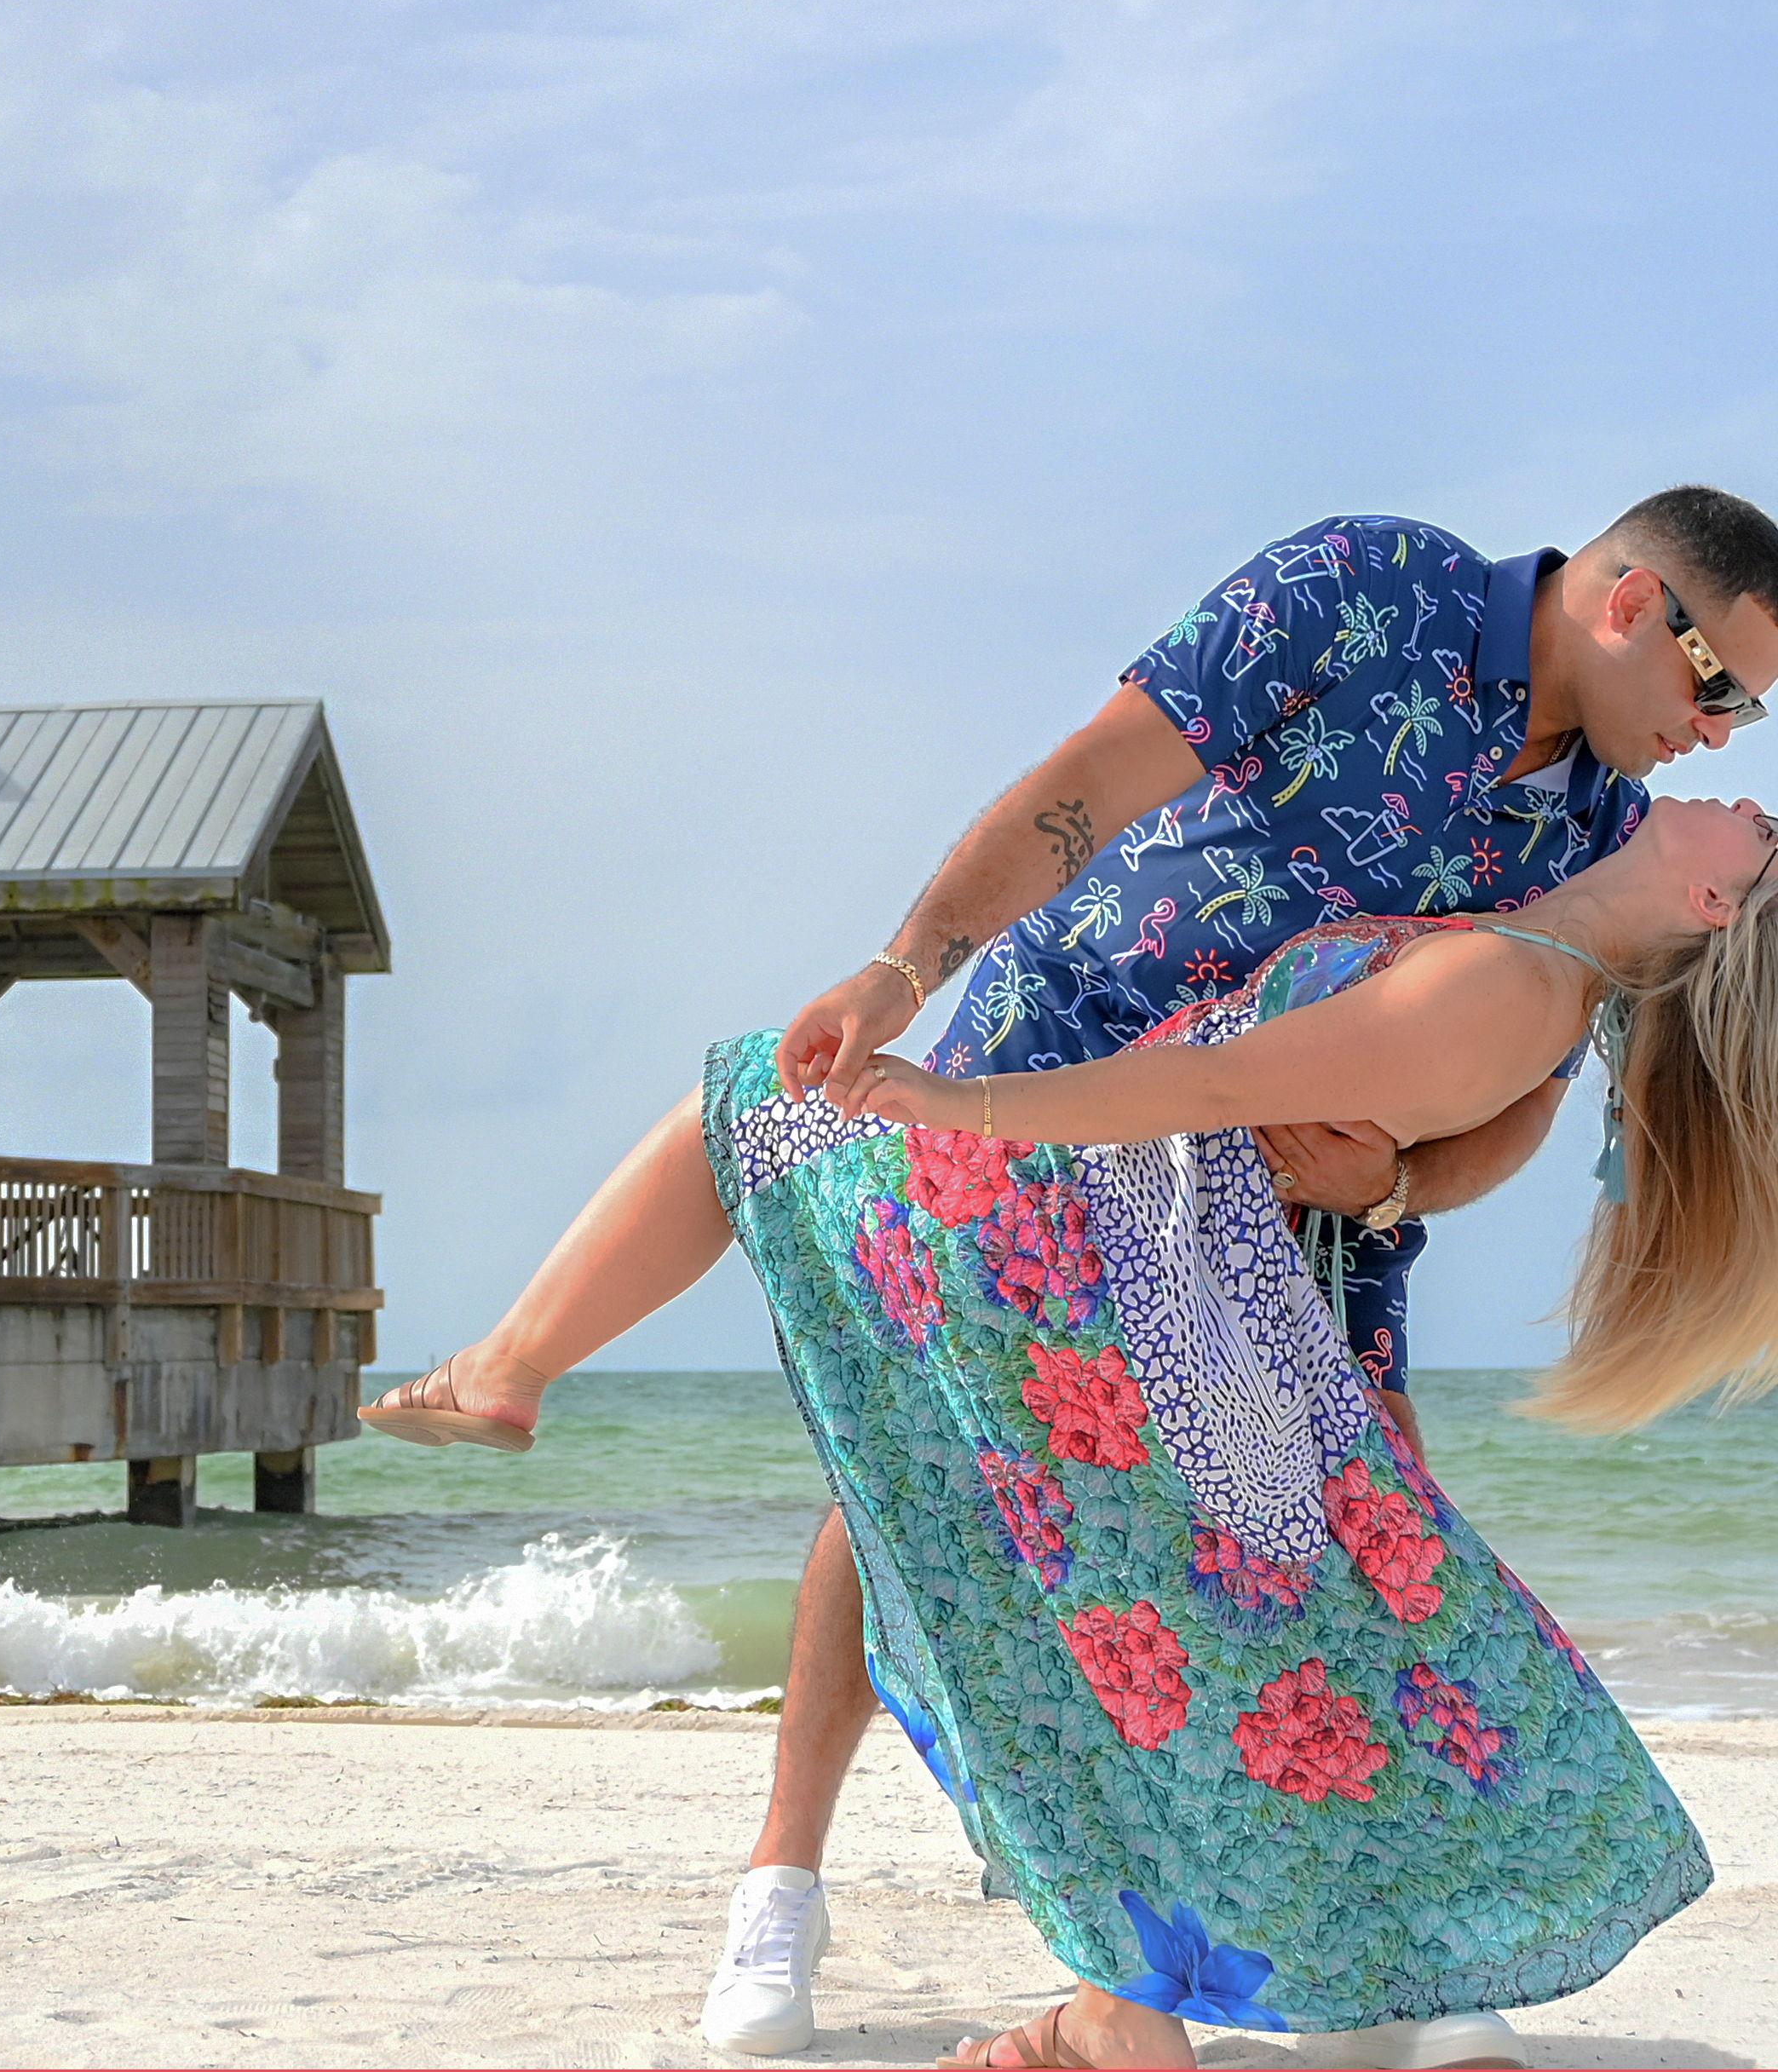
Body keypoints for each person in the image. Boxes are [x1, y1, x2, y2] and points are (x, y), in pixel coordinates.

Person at [362, 780, 1778, 2067]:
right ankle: (1171, 1993)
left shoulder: (1512, 986)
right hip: (1175, 1279)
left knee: (751, 1098)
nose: (1738, 787)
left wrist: (959, 1098)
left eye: (1762, 831)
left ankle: (512, 1363)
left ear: (1713, 897)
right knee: (1219, 1645)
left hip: (1086, 1240)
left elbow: (1212, 1085)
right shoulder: (1536, 972)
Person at [713, 487, 1778, 2061]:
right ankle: (782, 1879)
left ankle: (1384, 1950)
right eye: (1720, 685)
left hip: (1303, 1209)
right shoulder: (1369, 584)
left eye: (1747, 709)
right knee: (917, 1464)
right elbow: (1091, 780)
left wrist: (1397, 1181)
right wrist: (905, 967)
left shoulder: (1614, 836)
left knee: (1368, 1546)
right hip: (1073, 1069)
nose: (1725, 732)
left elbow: (1527, 1102)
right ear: (1630, 602)